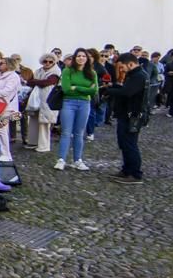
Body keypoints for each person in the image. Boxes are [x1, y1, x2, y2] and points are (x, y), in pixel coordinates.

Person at [102, 53, 148, 184]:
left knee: (130, 144)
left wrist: (109, 91)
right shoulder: (135, 75)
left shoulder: (139, 76)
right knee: (124, 143)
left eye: (122, 67)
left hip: (133, 115)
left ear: (131, 64)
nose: (121, 70)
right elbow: (126, 89)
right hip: (126, 114)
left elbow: (127, 92)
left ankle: (134, 173)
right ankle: (127, 170)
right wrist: (113, 87)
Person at [54, 48, 98, 171]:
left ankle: (77, 160)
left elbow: (94, 90)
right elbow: (66, 89)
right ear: (75, 58)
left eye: (83, 56)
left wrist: (76, 87)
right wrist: (85, 88)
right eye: (78, 56)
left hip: (85, 103)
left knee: (79, 133)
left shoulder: (92, 73)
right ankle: (61, 159)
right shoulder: (68, 71)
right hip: (69, 102)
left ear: (87, 58)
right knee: (66, 132)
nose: (81, 58)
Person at [23, 53, 61, 153]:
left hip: (47, 100)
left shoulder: (56, 72)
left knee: (45, 123)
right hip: (36, 99)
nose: (47, 63)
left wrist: (35, 81)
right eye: (45, 61)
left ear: (54, 62)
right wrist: (37, 81)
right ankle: (33, 142)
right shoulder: (39, 71)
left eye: (50, 61)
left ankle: (44, 145)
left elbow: (47, 82)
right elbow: (30, 82)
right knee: (33, 120)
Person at [0, 57, 21, 163]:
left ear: (8, 65)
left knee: (2, 129)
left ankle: (6, 154)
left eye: (1, 63)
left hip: (7, 106)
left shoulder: (13, 76)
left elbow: (7, 91)